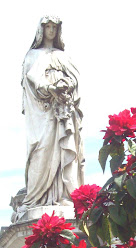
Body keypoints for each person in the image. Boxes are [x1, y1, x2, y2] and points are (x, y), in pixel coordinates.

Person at [19, 15, 84, 212]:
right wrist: (48, 89)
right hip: (43, 113)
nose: (51, 30)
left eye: (54, 27)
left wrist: (65, 89)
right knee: (42, 149)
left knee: (66, 149)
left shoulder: (64, 57)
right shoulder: (32, 56)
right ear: (41, 29)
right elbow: (30, 85)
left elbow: (76, 82)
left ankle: (65, 195)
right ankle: (38, 199)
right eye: (47, 26)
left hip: (63, 111)